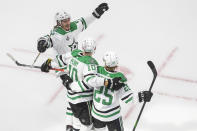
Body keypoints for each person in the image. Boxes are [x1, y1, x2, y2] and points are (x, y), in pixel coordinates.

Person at [37, 3, 109, 131]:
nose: (67, 22)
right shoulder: (57, 34)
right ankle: (71, 125)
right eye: (64, 21)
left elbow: (86, 21)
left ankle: (74, 123)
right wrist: (42, 43)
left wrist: (97, 12)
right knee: (73, 94)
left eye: (68, 19)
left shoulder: (74, 26)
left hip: (76, 63)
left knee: (77, 95)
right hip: (63, 68)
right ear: (58, 23)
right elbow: (48, 38)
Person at [40, 39, 124, 131]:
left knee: (77, 120)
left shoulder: (75, 53)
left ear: (83, 47)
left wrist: (49, 63)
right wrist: (107, 82)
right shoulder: (92, 63)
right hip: (83, 100)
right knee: (88, 125)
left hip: (71, 98)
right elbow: (90, 82)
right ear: (94, 48)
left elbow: (60, 59)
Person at [63, 51, 153, 131]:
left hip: (97, 116)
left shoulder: (96, 71)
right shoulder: (119, 78)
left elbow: (87, 79)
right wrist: (143, 96)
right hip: (112, 117)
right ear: (116, 65)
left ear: (105, 62)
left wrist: (68, 80)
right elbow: (129, 98)